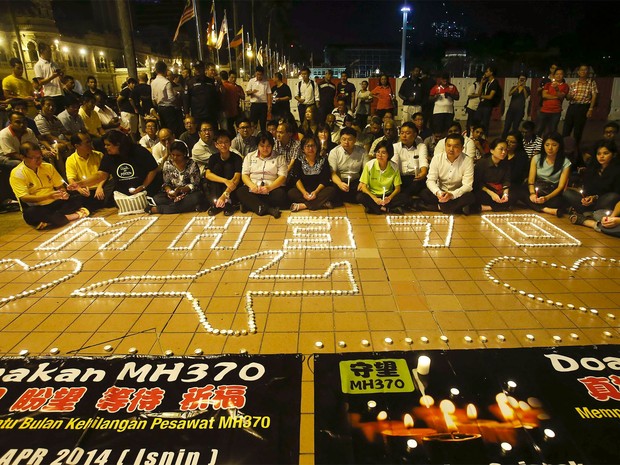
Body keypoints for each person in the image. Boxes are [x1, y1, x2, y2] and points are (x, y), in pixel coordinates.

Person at [10, 142, 88, 229]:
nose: (39, 160)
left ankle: (51, 221)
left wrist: (63, 193)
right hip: (37, 207)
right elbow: (25, 197)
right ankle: (75, 215)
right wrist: (48, 196)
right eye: (34, 158)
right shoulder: (17, 173)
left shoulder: (48, 167)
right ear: (22, 157)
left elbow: (59, 186)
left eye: (40, 157)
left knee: (79, 197)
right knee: (30, 214)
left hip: (55, 202)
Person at [72, 130, 159, 198]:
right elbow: (101, 175)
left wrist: (143, 186)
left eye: (108, 145)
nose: (105, 147)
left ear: (118, 144)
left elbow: (153, 169)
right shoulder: (109, 156)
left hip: (146, 191)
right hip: (123, 195)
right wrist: (80, 184)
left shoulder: (138, 151)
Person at [420, 133, 475, 214]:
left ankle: (439, 207)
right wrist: (438, 192)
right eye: (448, 145)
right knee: (424, 193)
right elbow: (430, 180)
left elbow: (467, 185)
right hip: (441, 192)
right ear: (445, 146)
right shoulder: (437, 158)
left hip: (457, 193)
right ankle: (455, 208)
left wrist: (452, 195)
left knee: (470, 196)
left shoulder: (467, 160)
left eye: (455, 146)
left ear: (462, 148)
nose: (451, 149)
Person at [237, 132, 287, 218]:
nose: (265, 149)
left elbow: (282, 177)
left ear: (272, 146)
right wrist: (252, 186)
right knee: (241, 191)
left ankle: (253, 205)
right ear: (257, 146)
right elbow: (244, 175)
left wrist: (269, 188)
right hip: (253, 189)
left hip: (271, 189)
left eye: (268, 146)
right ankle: (267, 209)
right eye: (262, 146)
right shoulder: (249, 156)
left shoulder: (279, 158)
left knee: (281, 194)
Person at [564, 140, 620, 214]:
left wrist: (595, 198)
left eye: (605, 153)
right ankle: (588, 213)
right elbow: (587, 188)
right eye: (598, 154)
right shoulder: (592, 168)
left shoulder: (617, 171)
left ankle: (587, 213)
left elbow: (616, 192)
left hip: (603, 202)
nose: (601, 156)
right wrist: (587, 198)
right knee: (567, 193)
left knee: (613, 197)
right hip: (589, 202)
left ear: (613, 154)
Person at [147, 140, 202, 214]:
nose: (175, 157)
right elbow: (166, 183)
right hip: (173, 195)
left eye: (178, 155)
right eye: (173, 155)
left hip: (188, 193)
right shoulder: (167, 164)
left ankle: (159, 209)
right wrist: (170, 191)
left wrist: (180, 190)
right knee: (157, 198)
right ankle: (188, 207)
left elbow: (194, 185)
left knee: (196, 198)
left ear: (184, 154)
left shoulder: (192, 164)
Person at [357, 139, 409, 215]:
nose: (380, 155)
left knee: (405, 197)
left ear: (389, 154)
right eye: (378, 152)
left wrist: (389, 198)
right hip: (373, 195)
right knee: (360, 197)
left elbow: (398, 188)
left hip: (387, 195)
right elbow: (363, 187)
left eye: (383, 153)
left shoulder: (394, 167)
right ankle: (385, 208)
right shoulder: (369, 165)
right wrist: (374, 198)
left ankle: (375, 208)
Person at [526, 132, 570, 217]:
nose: (550, 148)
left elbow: (560, 187)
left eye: (554, 145)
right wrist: (532, 193)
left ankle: (541, 206)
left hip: (552, 191)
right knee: (521, 193)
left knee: (557, 202)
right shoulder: (537, 158)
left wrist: (547, 198)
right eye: (547, 145)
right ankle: (546, 209)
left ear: (559, 146)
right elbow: (531, 180)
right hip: (537, 188)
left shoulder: (565, 162)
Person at [288, 135, 336, 212]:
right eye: (307, 146)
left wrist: (316, 192)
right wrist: (304, 192)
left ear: (317, 147)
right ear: (303, 148)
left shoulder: (323, 160)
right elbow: (296, 178)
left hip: (319, 191)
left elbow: (324, 179)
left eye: (313, 146)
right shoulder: (299, 161)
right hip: (304, 191)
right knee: (291, 193)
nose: (310, 149)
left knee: (331, 190)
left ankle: (304, 205)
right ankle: (320, 203)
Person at [65, 132, 111, 211]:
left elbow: (105, 174)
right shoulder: (70, 160)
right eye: (87, 142)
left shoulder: (99, 155)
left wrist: (100, 187)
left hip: (102, 187)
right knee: (74, 196)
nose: (91, 144)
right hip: (86, 190)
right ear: (77, 146)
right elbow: (71, 179)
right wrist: (79, 189)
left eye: (90, 141)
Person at [205, 130, 243, 216]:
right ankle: (216, 205)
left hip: (231, 188)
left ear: (230, 143)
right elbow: (208, 174)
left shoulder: (237, 158)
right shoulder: (213, 158)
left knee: (228, 167)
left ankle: (228, 204)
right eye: (220, 142)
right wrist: (225, 180)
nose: (223, 145)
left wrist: (224, 195)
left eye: (226, 142)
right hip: (220, 185)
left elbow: (236, 179)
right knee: (216, 170)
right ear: (216, 145)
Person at [328, 127, 366, 204]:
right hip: (340, 181)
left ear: (355, 140)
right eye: (344, 139)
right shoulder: (334, 152)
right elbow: (333, 173)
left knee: (362, 196)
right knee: (331, 192)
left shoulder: (362, 152)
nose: (346, 142)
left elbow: (367, 170)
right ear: (340, 140)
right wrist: (340, 183)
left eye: (349, 139)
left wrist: (363, 182)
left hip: (356, 181)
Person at [391, 122, 428, 199]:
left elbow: (423, 161)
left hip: (416, 178)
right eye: (402, 133)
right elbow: (395, 164)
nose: (404, 136)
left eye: (407, 133)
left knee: (419, 185)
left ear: (414, 135)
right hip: (400, 177)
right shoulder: (395, 147)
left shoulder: (421, 146)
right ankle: (406, 199)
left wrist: (423, 172)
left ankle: (400, 199)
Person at [563, 65, 598, 145]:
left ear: (588, 72)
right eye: (581, 70)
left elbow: (594, 96)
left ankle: (575, 147)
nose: (583, 71)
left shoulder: (591, 83)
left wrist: (590, 109)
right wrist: (567, 95)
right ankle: (564, 145)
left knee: (578, 129)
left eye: (585, 70)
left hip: (583, 107)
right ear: (578, 72)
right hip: (572, 106)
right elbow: (568, 97)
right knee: (566, 127)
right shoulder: (574, 83)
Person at [474, 138, 511, 212]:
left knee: (513, 196)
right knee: (478, 196)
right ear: (492, 150)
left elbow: (506, 181)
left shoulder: (505, 164)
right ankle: (494, 207)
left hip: (498, 190)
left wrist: (505, 194)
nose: (504, 152)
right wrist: (491, 193)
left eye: (506, 150)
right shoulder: (482, 163)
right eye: (501, 149)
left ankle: (487, 207)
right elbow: (477, 182)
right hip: (485, 190)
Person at [183, 61, 220, 128]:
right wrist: (187, 113)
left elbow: (215, 97)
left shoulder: (210, 81)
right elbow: (186, 98)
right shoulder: (190, 82)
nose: (198, 70)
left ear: (204, 69)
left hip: (210, 114)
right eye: (196, 68)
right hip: (197, 115)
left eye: (200, 68)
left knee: (213, 132)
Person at [152, 61, 183, 137]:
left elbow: (153, 98)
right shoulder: (166, 82)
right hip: (169, 109)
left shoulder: (153, 82)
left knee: (163, 129)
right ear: (165, 70)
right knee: (172, 130)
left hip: (160, 108)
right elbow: (171, 98)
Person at [536, 67, 569, 136]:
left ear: (563, 76)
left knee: (552, 131)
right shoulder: (548, 84)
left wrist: (556, 89)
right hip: (544, 110)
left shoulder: (565, 86)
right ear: (554, 75)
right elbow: (544, 95)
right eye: (557, 74)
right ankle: (536, 145)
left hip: (556, 112)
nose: (559, 76)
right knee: (539, 129)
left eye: (561, 74)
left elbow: (561, 96)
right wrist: (556, 97)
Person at [33, 43, 64, 114]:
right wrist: (52, 76)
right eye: (48, 51)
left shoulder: (54, 64)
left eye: (50, 51)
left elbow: (61, 80)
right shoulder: (38, 65)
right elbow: (40, 82)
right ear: (42, 51)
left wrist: (61, 75)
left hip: (60, 93)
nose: (50, 53)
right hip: (50, 94)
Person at [504, 131, 530, 206]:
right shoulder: (501, 152)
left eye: (512, 142)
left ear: (518, 144)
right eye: (507, 141)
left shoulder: (521, 156)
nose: (508, 144)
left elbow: (517, 176)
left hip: (514, 185)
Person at [502, 74, 530, 139]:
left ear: (526, 80)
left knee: (515, 126)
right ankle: (503, 138)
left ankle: (513, 139)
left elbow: (526, 96)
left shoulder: (527, 88)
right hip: (511, 109)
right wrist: (517, 86)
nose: (522, 80)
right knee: (507, 126)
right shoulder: (514, 87)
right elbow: (509, 94)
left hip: (520, 110)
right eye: (521, 79)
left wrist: (523, 87)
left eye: (523, 79)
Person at [246, 66, 272, 133]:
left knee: (263, 122)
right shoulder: (251, 81)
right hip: (254, 104)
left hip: (263, 105)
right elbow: (247, 92)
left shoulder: (266, 82)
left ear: (263, 74)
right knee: (253, 123)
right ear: (255, 73)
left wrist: (269, 105)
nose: (259, 76)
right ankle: (252, 135)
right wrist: (252, 92)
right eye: (257, 74)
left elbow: (269, 94)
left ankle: (263, 135)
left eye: (260, 74)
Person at [476, 66, 502, 132]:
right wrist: (481, 82)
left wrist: (482, 96)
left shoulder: (495, 83)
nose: (485, 73)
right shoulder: (486, 82)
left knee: (485, 122)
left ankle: (485, 136)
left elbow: (490, 96)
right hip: (482, 103)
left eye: (487, 71)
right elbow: (479, 93)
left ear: (491, 73)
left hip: (488, 105)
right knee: (477, 120)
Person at [221, 70, 245, 136]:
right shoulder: (226, 86)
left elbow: (243, 97)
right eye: (232, 77)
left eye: (235, 78)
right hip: (228, 109)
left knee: (238, 125)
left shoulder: (238, 87)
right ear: (228, 77)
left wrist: (238, 94)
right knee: (230, 126)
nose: (233, 79)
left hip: (236, 108)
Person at [117, 78, 139, 142]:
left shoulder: (134, 91)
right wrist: (120, 109)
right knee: (128, 130)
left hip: (133, 113)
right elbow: (118, 99)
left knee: (134, 131)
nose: (134, 85)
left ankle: (134, 143)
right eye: (132, 83)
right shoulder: (126, 91)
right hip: (126, 112)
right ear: (129, 84)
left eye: (135, 83)